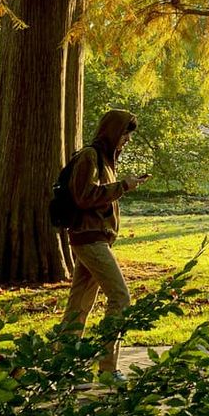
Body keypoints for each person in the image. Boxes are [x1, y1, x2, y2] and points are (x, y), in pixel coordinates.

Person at [59, 108, 146, 380]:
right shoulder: (90, 156)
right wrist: (123, 187)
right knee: (120, 297)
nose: (127, 140)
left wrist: (122, 184)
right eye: (124, 134)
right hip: (89, 239)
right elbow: (84, 196)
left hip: (96, 239)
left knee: (79, 304)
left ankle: (64, 368)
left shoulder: (106, 160)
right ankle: (108, 368)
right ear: (112, 132)